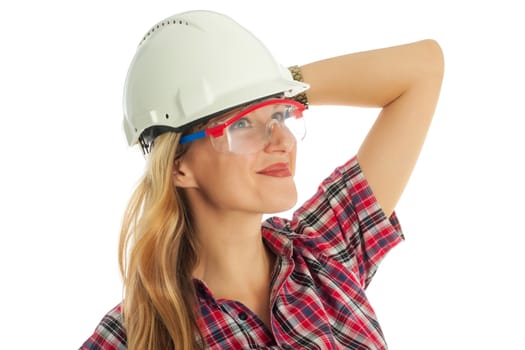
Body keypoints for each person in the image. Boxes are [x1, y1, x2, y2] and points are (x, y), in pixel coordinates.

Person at [81, 9, 444, 350]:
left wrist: (273, 85)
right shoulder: (135, 334)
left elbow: (423, 68)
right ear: (178, 165)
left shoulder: (323, 253)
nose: (283, 141)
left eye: (282, 115)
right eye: (241, 124)